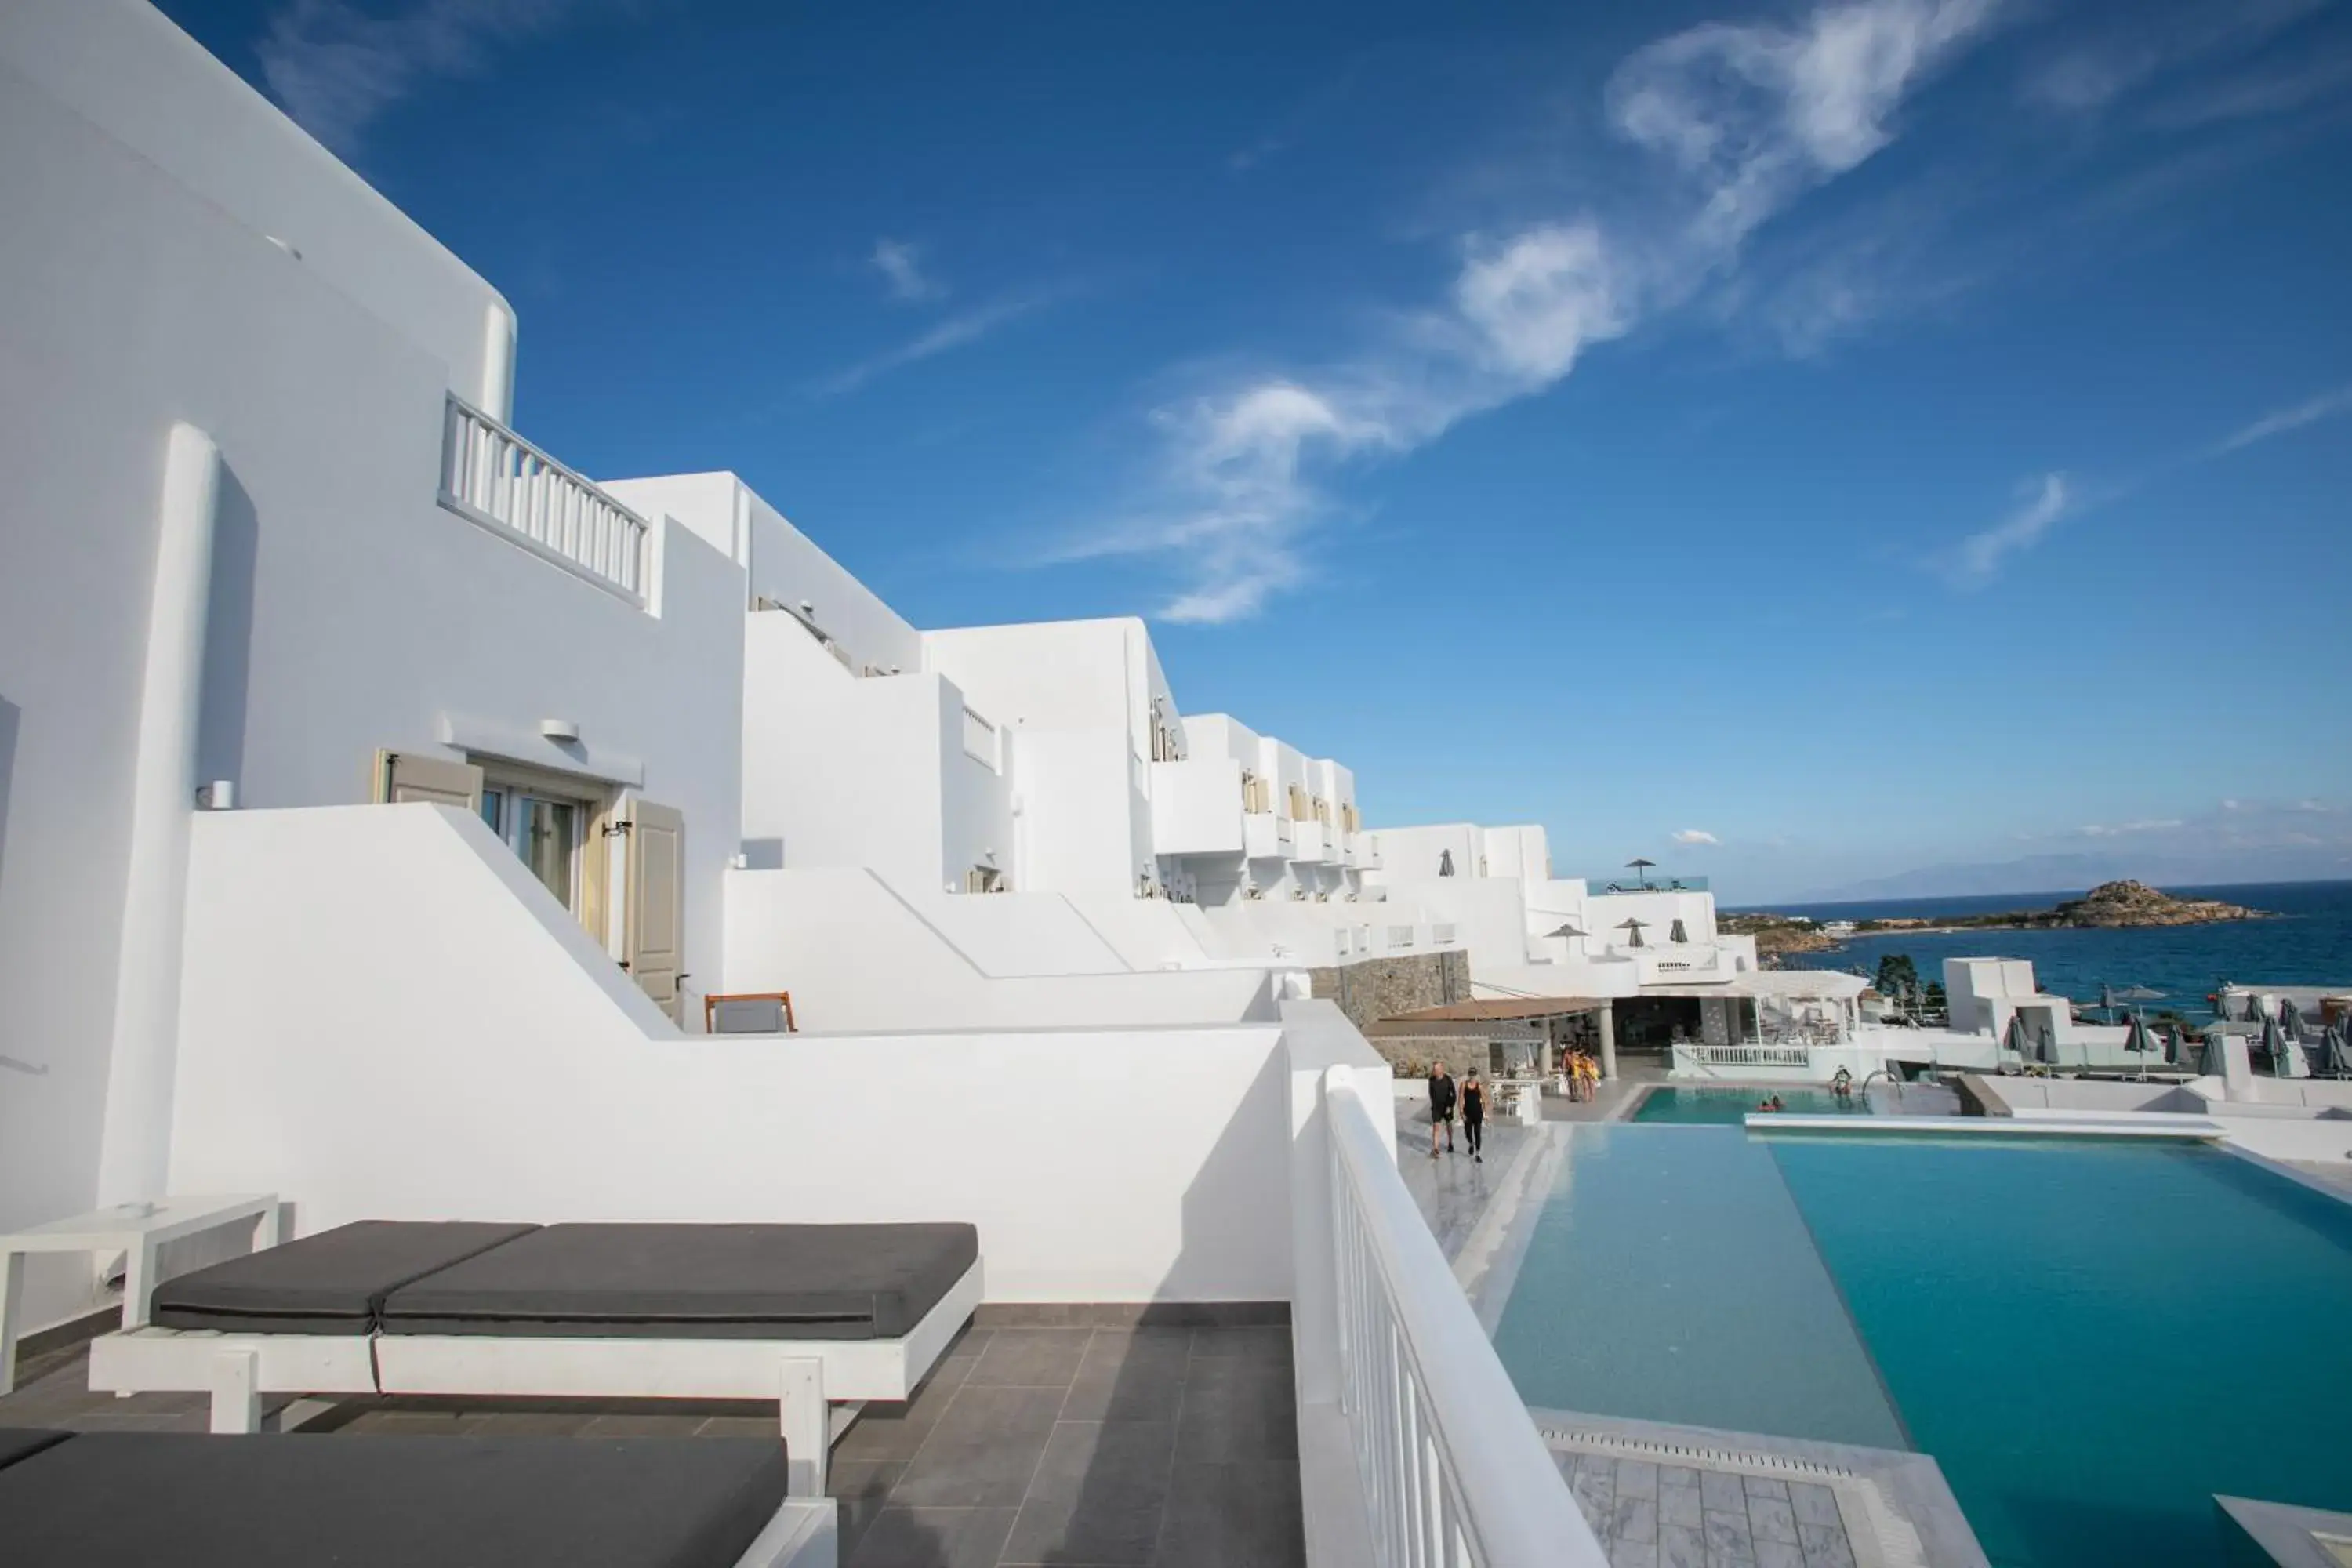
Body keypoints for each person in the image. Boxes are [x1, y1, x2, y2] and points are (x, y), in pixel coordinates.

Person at [1428, 1062, 1457, 1157]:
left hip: (1447, 1106)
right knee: (1436, 1127)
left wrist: (1450, 1106)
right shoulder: (1431, 1080)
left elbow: (1453, 1094)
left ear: (1441, 1070)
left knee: (1449, 1125)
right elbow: (1431, 1093)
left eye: (1436, 1069)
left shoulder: (1448, 1079)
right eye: (1434, 1069)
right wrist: (1433, 1105)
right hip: (1436, 1108)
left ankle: (1450, 1142)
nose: (1434, 1071)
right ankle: (1436, 1148)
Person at [1461, 1070, 1486, 1162]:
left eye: (1474, 1075)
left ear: (1476, 1076)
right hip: (1467, 1112)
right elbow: (1460, 1099)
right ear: (1468, 1075)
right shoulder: (1464, 1085)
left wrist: (1486, 1114)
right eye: (1471, 1075)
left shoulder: (1479, 1086)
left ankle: (1478, 1154)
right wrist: (1461, 1112)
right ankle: (1471, 1144)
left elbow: (1484, 1100)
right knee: (1467, 1132)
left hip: (1478, 1112)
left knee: (1477, 1133)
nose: (1472, 1077)